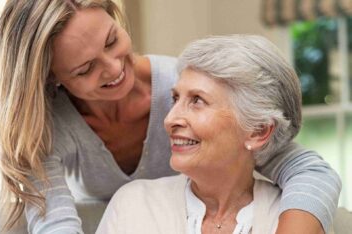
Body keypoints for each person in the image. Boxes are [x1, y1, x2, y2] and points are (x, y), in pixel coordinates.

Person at [0, 1, 340, 233]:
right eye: (85, 69)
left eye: (112, 41)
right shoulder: (45, 127)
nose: (115, 69)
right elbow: (55, 223)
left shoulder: (183, 84)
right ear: (52, 77)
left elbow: (306, 168)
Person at [96, 35, 336, 234]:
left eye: (197, 101)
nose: (169, 120)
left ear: (259, 131)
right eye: (175, 98)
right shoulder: (134, 205)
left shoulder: (293, 218)